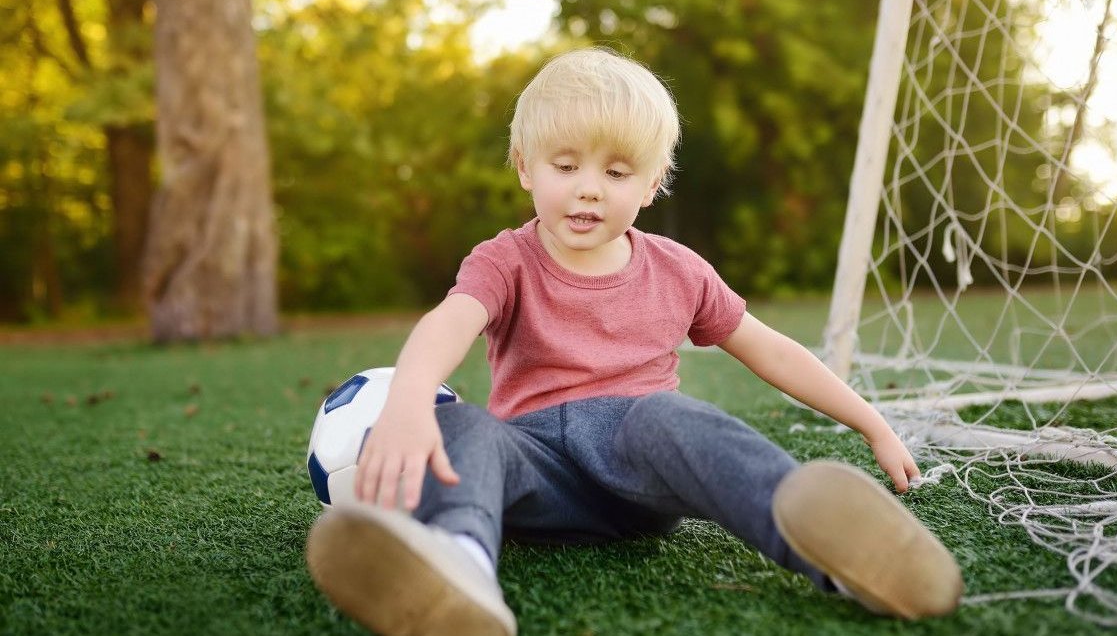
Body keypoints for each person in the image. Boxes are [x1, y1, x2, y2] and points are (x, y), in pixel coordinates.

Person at [305, 47, 962, 636]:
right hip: (534, 474)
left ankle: (836, 555)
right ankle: (461, 567)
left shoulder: (679, 271)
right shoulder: (505, 260)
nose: (589, 187)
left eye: (617, 173)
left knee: (669, 419)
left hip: (637, 467)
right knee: (463, 427)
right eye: (566, 165)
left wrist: (871, 421)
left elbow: (771, 349)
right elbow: (450, 320)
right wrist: (410, 398)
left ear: (652, 185)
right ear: (525, 167)